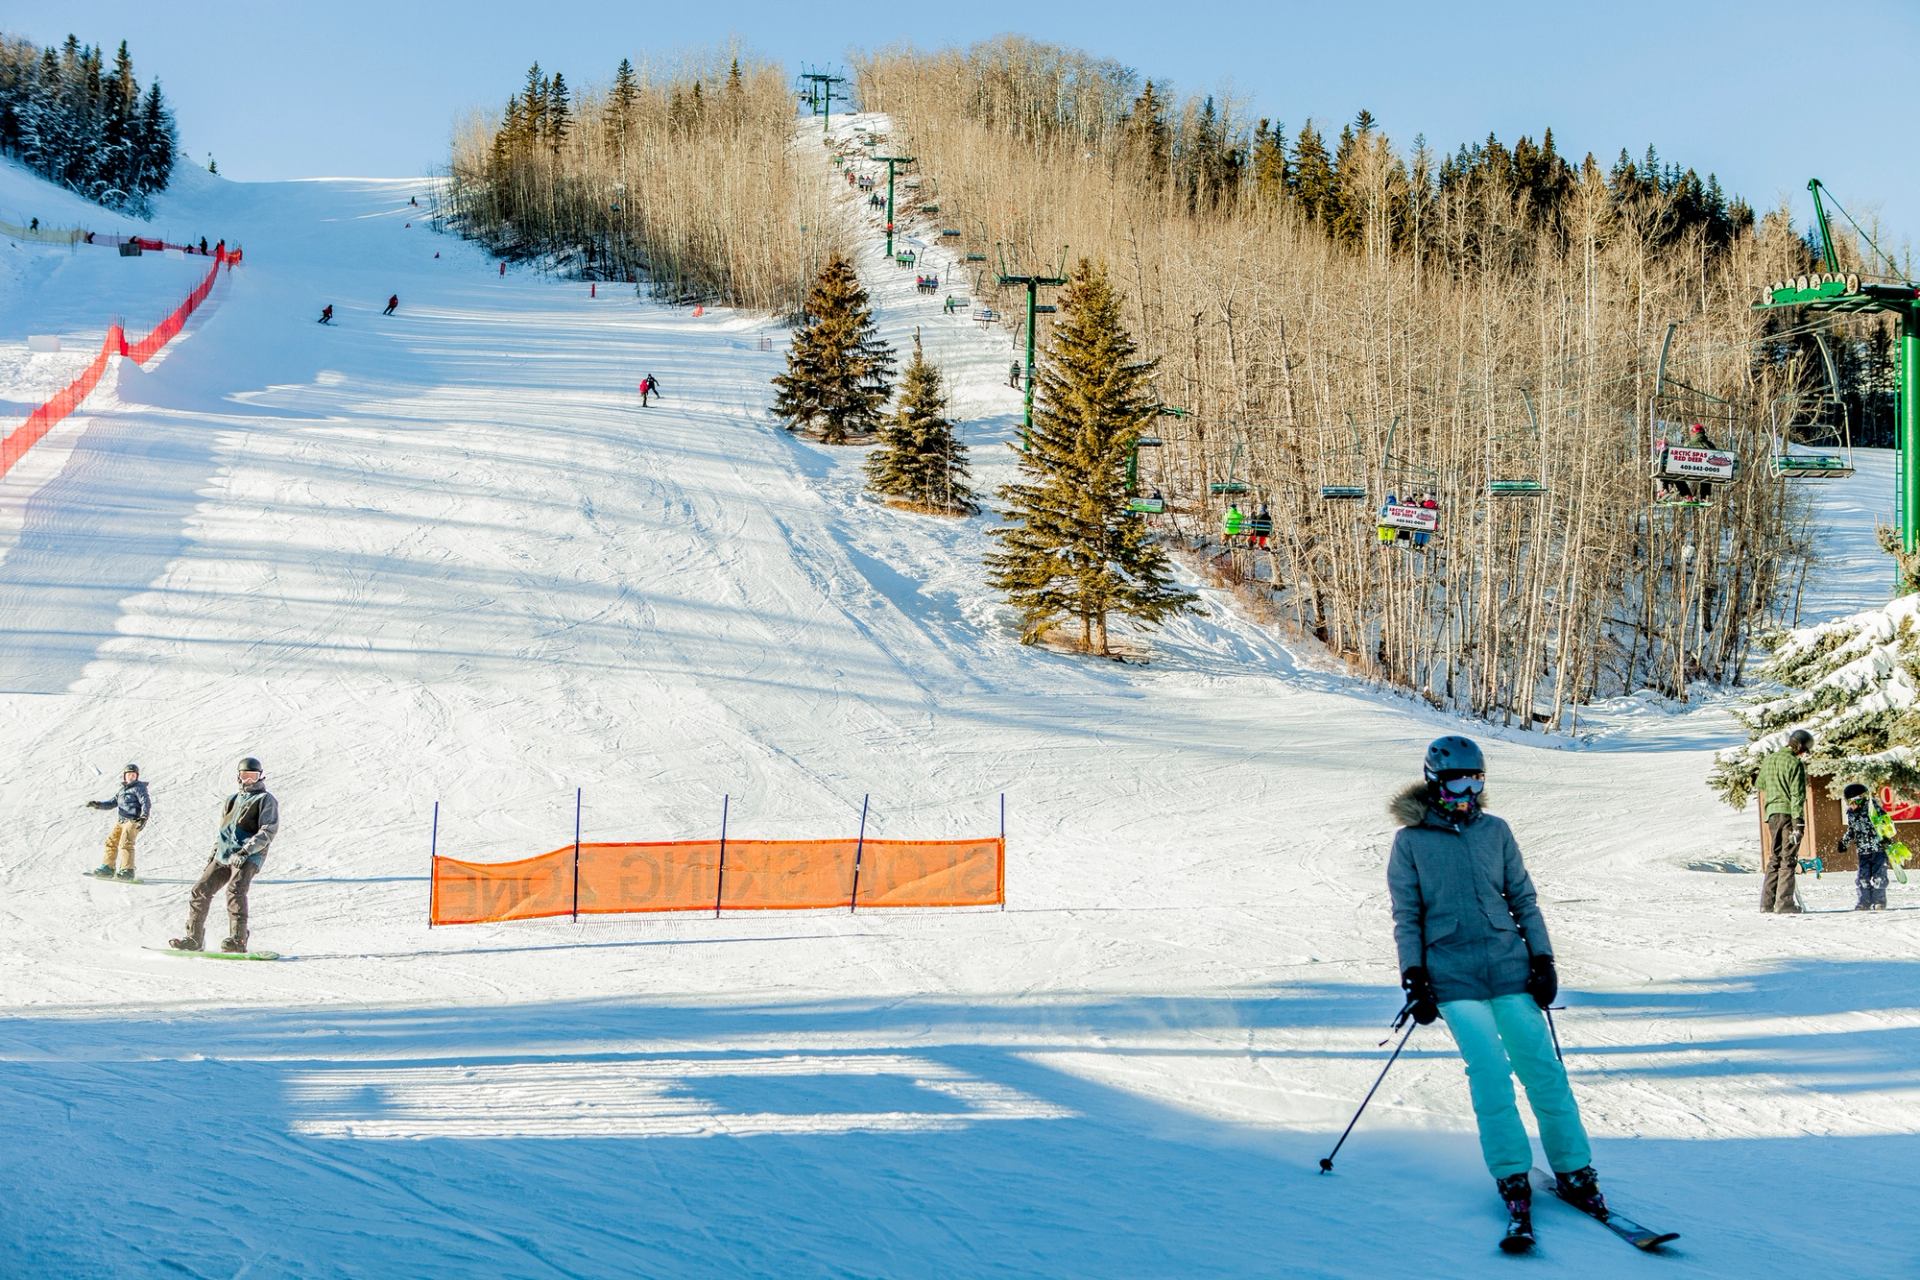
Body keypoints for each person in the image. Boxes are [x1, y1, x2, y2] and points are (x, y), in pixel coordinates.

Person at [1387, 735, 1605, 1249]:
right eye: (1459, 780)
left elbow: (1522, 898)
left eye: (1477, 780)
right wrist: (1415, 977)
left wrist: (1543, 958)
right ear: (1435, 782)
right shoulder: (1412, 842)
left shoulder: (1496, 832)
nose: (1469, 790)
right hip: (1454, 975)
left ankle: (1574, 1170)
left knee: (1543, 1070)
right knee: (1490, 1074)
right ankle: (1512, 1174)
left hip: (1509, 968)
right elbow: (1407, 917)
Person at [169, 757, 279, 954]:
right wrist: (213, 856)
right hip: (224, 854)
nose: (248, 781)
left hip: (248, 856)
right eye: (245, 776)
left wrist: (246, 850)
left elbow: (268, 830)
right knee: (200, 890)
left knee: (235, 890)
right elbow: (224, 831)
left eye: (252, 777)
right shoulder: (232, 800)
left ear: (260, 776)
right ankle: (194, 938)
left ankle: (238, 939)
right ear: (239, 777)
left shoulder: (265, 799)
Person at [1755, 728, 1813, 913]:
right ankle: (1784, 904)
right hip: (1788, 815)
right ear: (1800, 747)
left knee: (1775, 858)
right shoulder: (1794, 763)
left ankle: (1767, 903)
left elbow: (1760, 783)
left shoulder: (1769, 759)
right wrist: (1799, 823)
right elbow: (1797, 795)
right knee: (1788, 858)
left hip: (1772, 815)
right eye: (1804, 751)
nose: (1803, 755)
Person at [85, 763, 151, 881]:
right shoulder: (122, 790)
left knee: (126, 842)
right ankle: (108, 868)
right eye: (129, 775)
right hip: (121, 821)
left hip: (133, 820)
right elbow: (111, 803)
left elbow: (145, 802)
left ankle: (127, 870)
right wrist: (98, 805)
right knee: (111, 841)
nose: (131, 777)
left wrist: (144, 816)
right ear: (124, 777)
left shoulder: (139, 787)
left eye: (133, 775)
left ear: (137, 776)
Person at [1838, 783, 1892, 911]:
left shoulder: (1874, 810)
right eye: (1848, 802)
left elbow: (1887, 826)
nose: (1850, 805)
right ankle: (1864, 902)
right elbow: (1851, 831)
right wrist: (1844, 842)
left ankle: (1879, 901)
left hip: (1878, 850)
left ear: (1861, 799)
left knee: (1879, 878)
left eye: (1852, 802)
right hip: (1863, 852)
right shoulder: (1852, 814)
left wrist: (1886, 838)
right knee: (1862, 878)